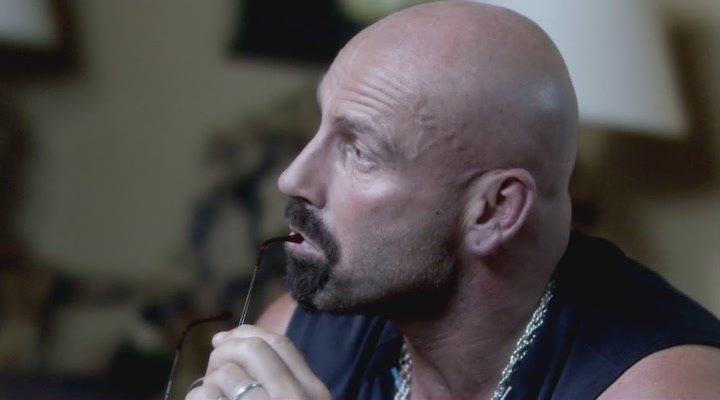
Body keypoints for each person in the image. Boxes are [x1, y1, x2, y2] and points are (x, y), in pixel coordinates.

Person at [186, 2, 720, 399]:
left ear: (495, 211)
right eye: (321, 125)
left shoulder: (663, 385)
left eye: (360, 152)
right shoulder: (303, 331)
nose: (292, 177)